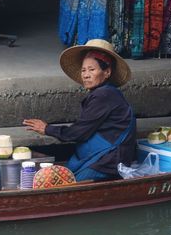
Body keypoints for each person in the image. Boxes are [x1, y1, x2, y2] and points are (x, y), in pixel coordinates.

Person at [23, 39, 136, 182]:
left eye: (92, 70)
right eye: (83, 70)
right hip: (103, 155)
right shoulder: (105, 93)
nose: (86, 75)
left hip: (108, 161)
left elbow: (78, 133)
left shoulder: (104, 95)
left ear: (106, 72)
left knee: (69, 182)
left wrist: (47, 129)